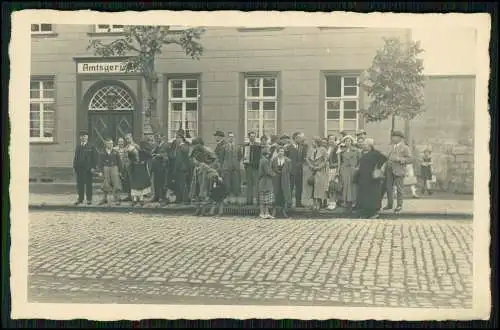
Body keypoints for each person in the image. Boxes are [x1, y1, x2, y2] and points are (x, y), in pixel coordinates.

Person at [355, 138, 387, 219]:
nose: (363, 145)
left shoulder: (375, 153)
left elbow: (384, 160)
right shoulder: (362, 153)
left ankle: (373, 213)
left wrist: (378, 169)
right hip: (363, 178)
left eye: (365, 144)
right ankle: (365, 213)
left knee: (372, 196)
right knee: (363, 196)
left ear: (370, 146)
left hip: (372, 179)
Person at [383, 130, 413, 213]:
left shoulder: (405, 147)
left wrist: (399, 159)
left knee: (400, 189)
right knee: (389, 188)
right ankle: (390, 204)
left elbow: (410, 159)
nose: (393, 138)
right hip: (389, 170)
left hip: (399, 170)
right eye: (393, 136)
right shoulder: (390, 147)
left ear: (400, 138)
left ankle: (399, 205)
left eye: (395, 136)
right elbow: (386, 156)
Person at [73, 131, 98, 205]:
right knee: (80, 185)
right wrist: (75, 166)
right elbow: (76, 157)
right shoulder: (78, 146)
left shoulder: (91, 146)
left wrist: (93, 167)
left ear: (87, 137)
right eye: (81, 136)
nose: (83, 137)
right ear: (80, 137)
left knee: (88, 184)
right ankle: (80, 199)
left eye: (84, 136)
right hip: (79, 169)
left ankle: (89, 199)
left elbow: (94, 158)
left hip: (88, 169)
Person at [339, 135, 361, 212]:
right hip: (344, 169)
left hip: (353, 169)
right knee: (345, 185)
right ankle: (345, 201)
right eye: (346, 141)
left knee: (353, 185)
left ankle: (353, 201)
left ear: (352, 142)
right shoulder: (342, 151)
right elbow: (340, 161)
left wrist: (357, 168)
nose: (348, 142)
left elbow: (360, 161)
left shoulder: (356, 150)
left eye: (349, 141)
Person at [97, 138, 123, 205]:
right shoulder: (102, 152)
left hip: (114, 167)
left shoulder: (115, 152)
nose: (111, 145)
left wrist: (120, 171)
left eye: (111, 143)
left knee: (116, 183)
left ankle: (117, 198)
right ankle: (104, 198)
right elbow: (100, 163)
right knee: (106, 183)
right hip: (106, 168)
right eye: (109, 143)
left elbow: (119, 162)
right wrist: (100, 171)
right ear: (106, 144)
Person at [306, 137, 329, 211]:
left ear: (317, 142)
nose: (312, 143)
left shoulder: (323, 149)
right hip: (312, 170)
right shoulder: (311, 150)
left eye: (313, 142)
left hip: (320, 171)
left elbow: (325, 160)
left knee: (319, 188)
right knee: (313, 187)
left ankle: (319, 203)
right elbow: (307, 158)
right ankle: (314, 203)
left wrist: (319, 167)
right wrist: (311, 166)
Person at [287, 132, 308, 208]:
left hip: (299, 171)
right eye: (299, 138)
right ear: (295, 138)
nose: (301, 139)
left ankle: (298, 203)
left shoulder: (302, 147)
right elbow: (286, 159)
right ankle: (289, 203)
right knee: (290, 187)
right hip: (291, 171)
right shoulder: (289, 147)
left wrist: (301, 164)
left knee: (299, 188)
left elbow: (304, 159)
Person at [128, 140, 152, 206]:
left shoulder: (143, 153)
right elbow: (130, 159)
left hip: (141, 169)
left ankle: (141, 199)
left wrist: (144, 161)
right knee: (135, 185)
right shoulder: (131, 153)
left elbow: (149, 156)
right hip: (135, 169)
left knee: (141, 185)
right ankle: (135, 199)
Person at [270, 146, 292, 218]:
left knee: (283, 194)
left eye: (282, 151)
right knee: (276, 194)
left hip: (284, 180)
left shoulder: (288, 161)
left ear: (284, 152)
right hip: (276, 180)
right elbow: (271, 169)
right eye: (279, 151)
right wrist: (274, 174)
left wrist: (285, 175)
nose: (281, 153)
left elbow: (289, 170)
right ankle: (274, 210)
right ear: (277, 152)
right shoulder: (274, 160)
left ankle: (283, 211)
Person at [170, 130, 191, 204]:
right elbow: (174, 156)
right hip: (177, 167)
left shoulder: (185, 145)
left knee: (183, 184)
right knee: (177, 184)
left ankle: (186, 199)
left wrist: (181, 144)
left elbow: (186, 151)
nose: (176, 139)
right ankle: (178, 199)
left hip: (182, 167)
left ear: (181, 138)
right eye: (175, 137)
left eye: (177, 137)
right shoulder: (176, 146)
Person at [221, 131, 241, 204]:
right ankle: (227, 198)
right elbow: (221, 158)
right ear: (227, 138)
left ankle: (236, 198)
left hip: (235, 167)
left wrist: (236, 164)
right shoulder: (224, 147)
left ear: (234, 138)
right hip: (226, 167)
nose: (231, 138)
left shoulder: (237, 147)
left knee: (236, 183)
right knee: (227, 184)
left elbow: (239, 157)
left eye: (232, 137)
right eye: (229, 137)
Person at [241, 131, 261, 205]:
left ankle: (258, 201)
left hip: (256, 167)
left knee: (257, 184)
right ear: (249, 137)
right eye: (251, 136)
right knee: (249, 184)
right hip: (248, 167)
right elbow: (244, 157)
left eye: (254, 136)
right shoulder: (246, 146)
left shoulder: (258, 146)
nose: (252, 138)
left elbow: (260, 157)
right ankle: (249, 201)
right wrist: (245, 164)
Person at [151, 132, 170, 205]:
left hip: (163, 166)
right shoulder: (157, 145)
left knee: (162, 182)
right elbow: (153, 152)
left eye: (159, 137)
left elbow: (166, 155)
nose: (157, 139)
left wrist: (159, 155)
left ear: (162, 137)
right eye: (157, 138)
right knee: (156, 182)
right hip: (156, 166)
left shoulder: (166, 145)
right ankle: (156, 196)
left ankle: (163, 197)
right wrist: (153, 152)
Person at [258, 147, 275, 219]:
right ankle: (265, 213)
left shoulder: (261, 160)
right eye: (268, 153)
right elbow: (267, 171)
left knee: (263, 198)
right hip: (266, 181)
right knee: (267, 198)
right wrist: (274, 174)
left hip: (262, 181)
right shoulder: (265, 161)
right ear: (266, 154)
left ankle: (263, 213)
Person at [115, 137, 132, 201]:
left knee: (127, 182)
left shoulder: (126, 149)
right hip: (116, 168)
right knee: (116, 182)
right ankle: (117, 197)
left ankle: (129, 196)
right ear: (117, 142)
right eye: (119, 142)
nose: (121, 143)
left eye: (122, 142)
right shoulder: (115, 149)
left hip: (125, 168)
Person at [326, 134, 340, 210]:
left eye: (333, 139)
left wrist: (337, 170)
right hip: (327, 169)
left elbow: (339, 161)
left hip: (333, 169)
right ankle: (330, 201)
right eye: (330, 139)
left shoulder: (337, 148)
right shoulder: (327, 148)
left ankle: (333, 202)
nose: (331, 140)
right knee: (328, 186)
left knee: (333, 186)